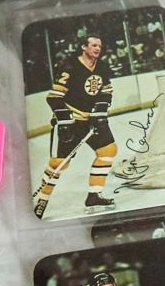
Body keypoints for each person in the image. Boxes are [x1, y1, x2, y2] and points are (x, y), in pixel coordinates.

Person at [34, 34, 117, 218]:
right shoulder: (70, 67)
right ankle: (42, 200)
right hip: (72, 122)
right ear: (83, 47)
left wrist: (100, 111)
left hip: (92, 120)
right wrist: (65, 120)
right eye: (94, 45)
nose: (97, 48)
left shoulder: (102, 66)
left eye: (99, 46)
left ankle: (94, 196)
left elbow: (106, 91)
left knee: (108, 150)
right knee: (59, 164)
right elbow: (54, 97)